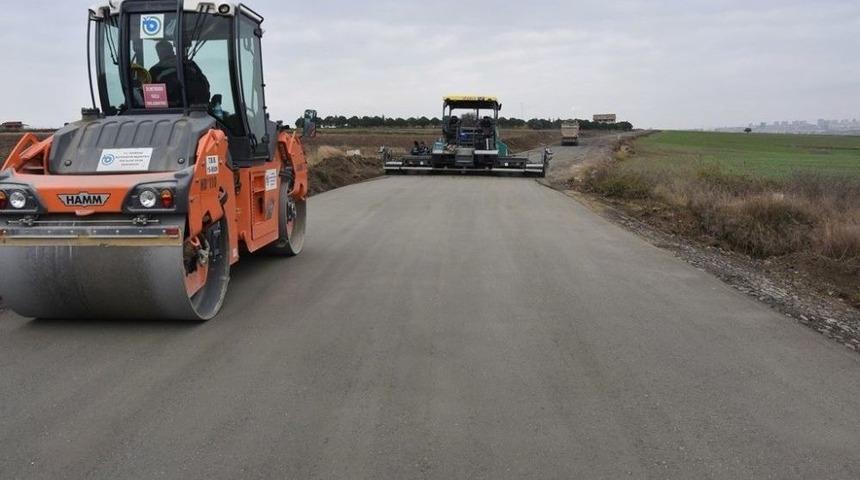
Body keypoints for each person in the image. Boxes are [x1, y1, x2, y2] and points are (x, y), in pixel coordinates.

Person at [148, 40, 210, 107]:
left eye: (165, 51)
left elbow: (204, 85)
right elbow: (152, 96)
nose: (163, 54)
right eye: (161, 52)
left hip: (194, 107)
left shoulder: (189, 65)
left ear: (172, 50)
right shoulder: (155, 71)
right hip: (170, 110)